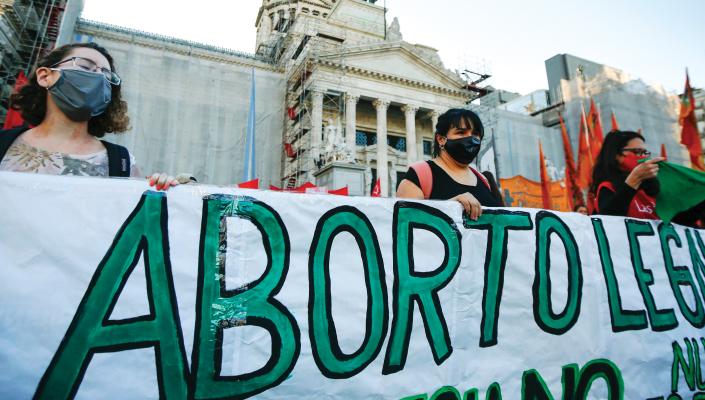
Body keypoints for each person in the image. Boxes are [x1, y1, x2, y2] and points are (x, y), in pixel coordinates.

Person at [0, 42, 188, 190]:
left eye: (107, 75)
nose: (98, 77)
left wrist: (164, 191)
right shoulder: (3, 144)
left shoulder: (121, 163)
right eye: (85, 66)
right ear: (45, 76)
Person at [396, 108, 502, 220]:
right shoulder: (419, 176)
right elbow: (406, 226)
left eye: (475, 134)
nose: (471, 138)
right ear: (441, 139)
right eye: (461, 132)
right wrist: (448, 207)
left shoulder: (484, 180)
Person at [591, 130, 705, 225]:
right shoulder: (608, 187)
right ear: (616, 155)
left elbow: (675, 224)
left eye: (645, 153)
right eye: (637, 152)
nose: (643, 157)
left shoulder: (653, 188)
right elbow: (608, 221)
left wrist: (699, 198)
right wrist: (633, 181)